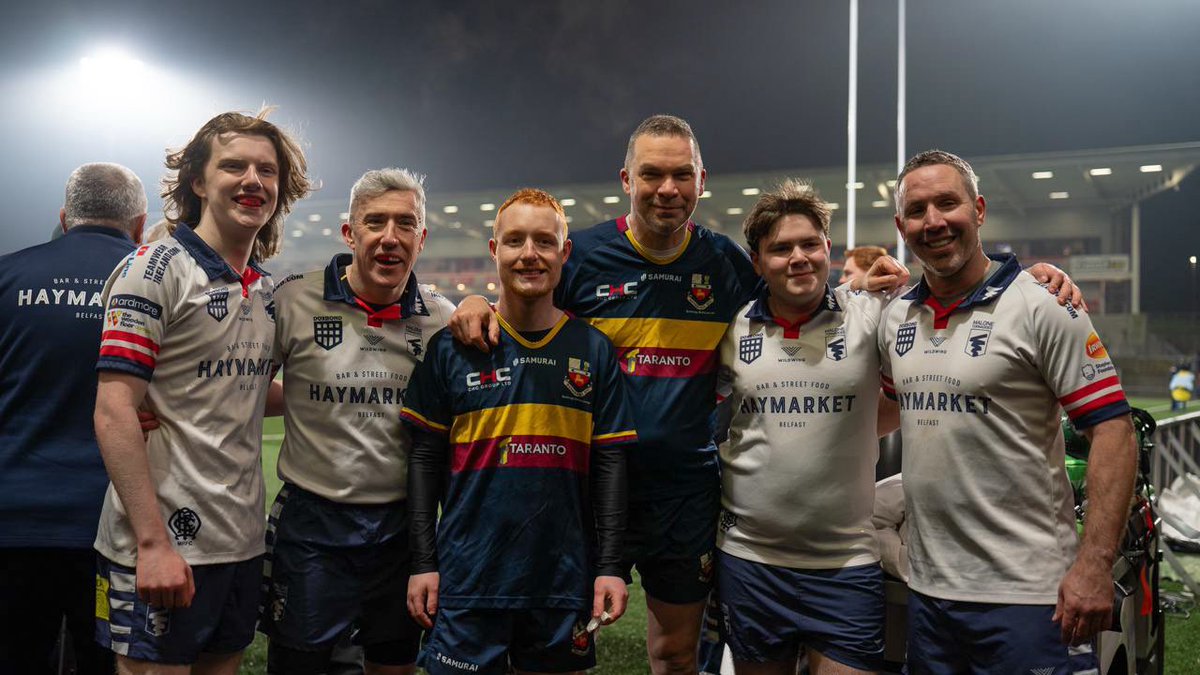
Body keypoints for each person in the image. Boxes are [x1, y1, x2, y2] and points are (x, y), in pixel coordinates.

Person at [449, 116, 1084, 675]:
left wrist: (1020, 277)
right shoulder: (581, 254)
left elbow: (800, 281)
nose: (666, 189)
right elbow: (523, 298)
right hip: (586, 484)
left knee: (673, 654)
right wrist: (476, 299)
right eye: (652, 175)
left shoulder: (726, 263)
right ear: (626, 179)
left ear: (702, 180)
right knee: (552, 640)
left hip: (686, 493)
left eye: (681, 175)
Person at [878, 149, 1137, 674]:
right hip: (929, 593)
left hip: (1032, 595)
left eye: (947, 203)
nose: (934, 221)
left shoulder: (1041, 303)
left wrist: (1094, 565)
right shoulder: (896, 317)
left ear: (978, 209)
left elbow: (1113, 430)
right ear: (900, 225)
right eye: (918, 209)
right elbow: (885, 409)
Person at [93, 110, 310, 673]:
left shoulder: (264, 288)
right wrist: (150, 544)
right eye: (233, 165)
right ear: (197, 180)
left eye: (267, 170)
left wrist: (337, 395)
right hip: (165, 542)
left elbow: (246, 394)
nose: (252, 180)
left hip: (240, 541)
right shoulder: (155, 268)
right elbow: (115, 409)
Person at [401, 188, 634, 674]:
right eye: (515, 241)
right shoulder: (451, 349)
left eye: (545, 242)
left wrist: (610, 566)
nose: (530, 254)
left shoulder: (593, 351)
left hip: (562, 581)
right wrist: (424, 561)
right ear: (495, 250)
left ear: (565, 252)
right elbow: (422, 463)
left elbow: (611, 468)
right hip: (467, 579)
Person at [259, 168, 454, 675]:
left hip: (402, 527)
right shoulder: (293, 300)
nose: (390, 237)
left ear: (421, 237)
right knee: (299, 664)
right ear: (350, 233)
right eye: (376, 222)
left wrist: (477, 303)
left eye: (405, 224)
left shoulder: (440, 317)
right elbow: (242, 384)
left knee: (393, 664)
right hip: (312, 523)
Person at [714, 180, 898, 674]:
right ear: (757, 262)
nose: (798, 257)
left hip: (846, 563)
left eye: (809, 244)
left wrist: (1041, 279)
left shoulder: (872, 314)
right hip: (751, 561)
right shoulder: (731, 330)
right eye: (780, 249)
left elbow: (912, 395)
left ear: (827, 250)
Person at [0, 163, 146, 674]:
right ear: (140, 224)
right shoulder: (160, 281)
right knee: (107, 664)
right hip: (119, 525)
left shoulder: (6, 274)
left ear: (64, 217)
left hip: (14, 523)